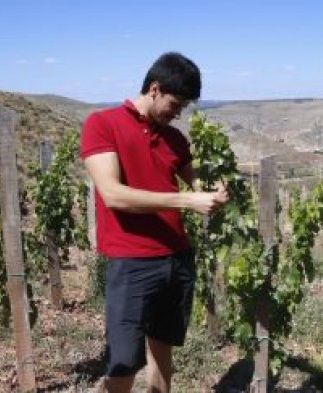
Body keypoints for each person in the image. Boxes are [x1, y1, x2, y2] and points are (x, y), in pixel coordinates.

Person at [80, 52, 229, 393]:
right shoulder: (102, 124)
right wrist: (187, 201)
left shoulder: (174, 138)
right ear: (154, 89)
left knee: (163, 349)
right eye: (175, 104)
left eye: (184, 107)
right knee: (124, 362)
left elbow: (195, 184)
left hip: (177, 258)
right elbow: (114, 195)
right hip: (132, 263)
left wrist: (212, 195)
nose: (178, 114)